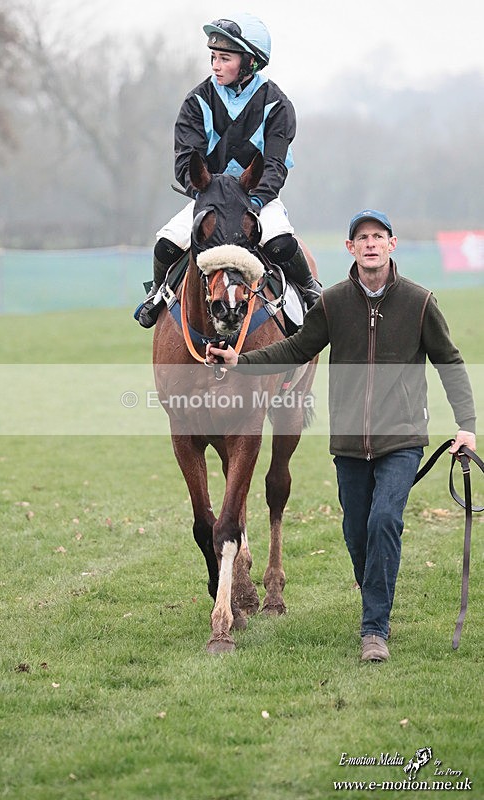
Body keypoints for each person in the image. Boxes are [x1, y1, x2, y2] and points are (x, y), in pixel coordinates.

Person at [206, 209, 477, 662]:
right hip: (349, 445)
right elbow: (295, 349)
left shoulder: (419, 302)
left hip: (402, 439)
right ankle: (374, 592)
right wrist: (240, 362)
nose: (371, 243)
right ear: (350, 248)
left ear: (392, 245)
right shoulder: (332, 303)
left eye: (379, 236)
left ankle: (374, 630)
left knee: (384, 520)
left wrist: (466, 427)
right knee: (356, 532)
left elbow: (449, 362)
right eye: (362, 238)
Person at [136, 12, 320, 328]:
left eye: (225, 58)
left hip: (256, 197)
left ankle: (310, 292)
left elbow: (274, 167)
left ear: (249, 61)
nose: (215, 65)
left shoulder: (277, 105)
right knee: (166, 244)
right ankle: (158, 291)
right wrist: (205, 195)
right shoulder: (196, 101)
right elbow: (185, 163)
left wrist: (254, 201)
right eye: (213, 57)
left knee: (281, 243)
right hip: (208, 198)